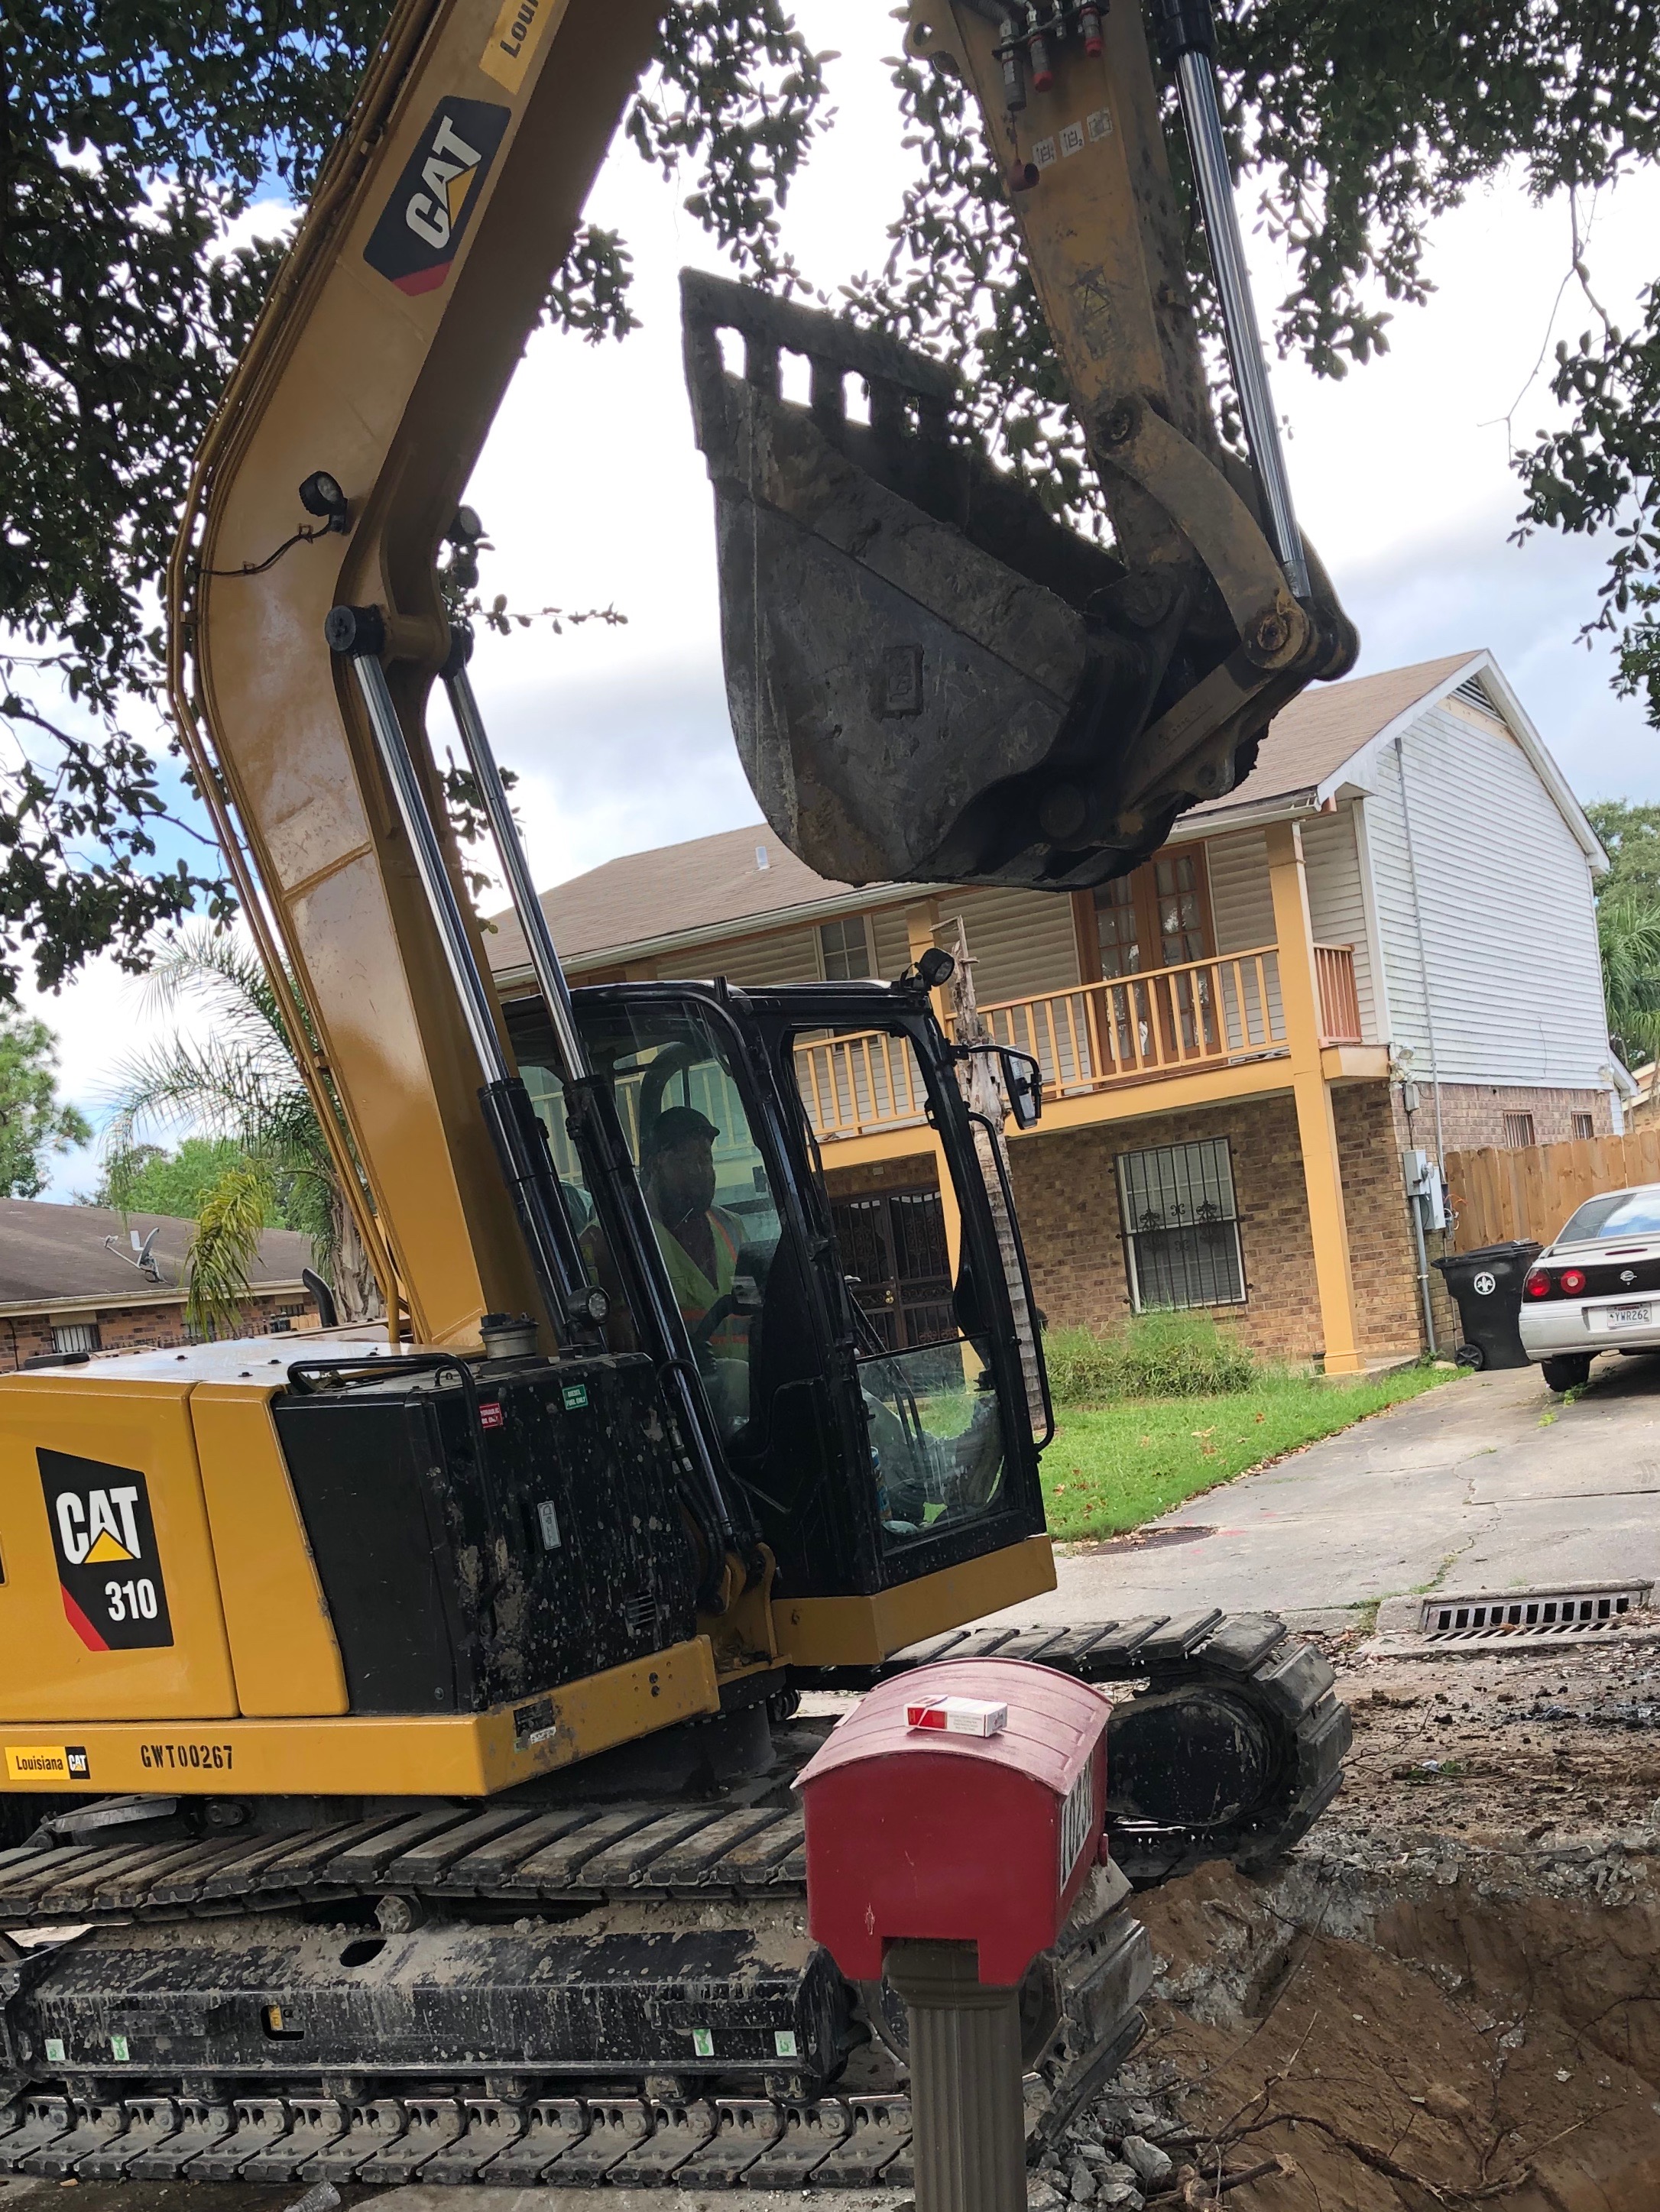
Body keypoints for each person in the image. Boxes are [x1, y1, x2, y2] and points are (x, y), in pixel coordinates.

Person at [639, 1105, 748, 1362]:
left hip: (748, 1390)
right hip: (679, 1391)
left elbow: (753, 1308)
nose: (702, 1172)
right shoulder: (619, 1235)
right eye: (687, 1161)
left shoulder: (732, 1227)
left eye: (706, 1159)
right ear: (656, 1164)